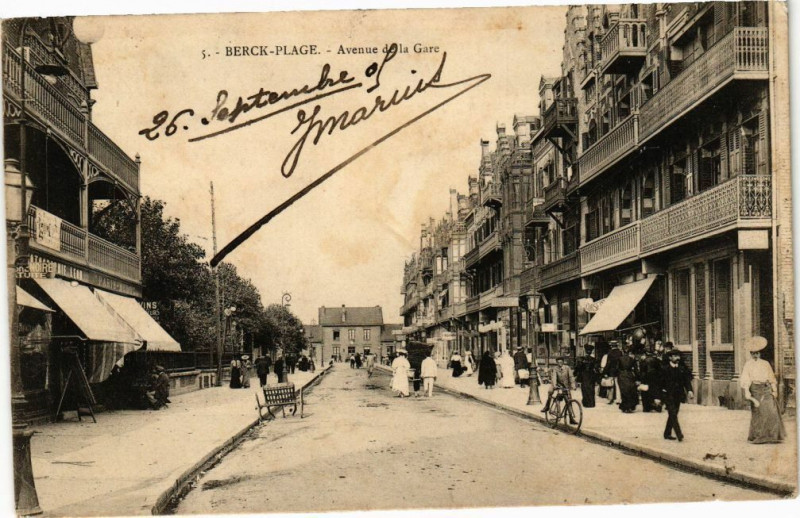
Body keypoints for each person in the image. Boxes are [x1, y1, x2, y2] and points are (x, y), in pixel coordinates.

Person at [740, 336, 786, 444]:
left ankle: (772, 436)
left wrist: (774, 389)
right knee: (758, 412)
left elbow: (771, 377)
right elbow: (746, 378)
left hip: (766, 389)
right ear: (751, 354)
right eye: (753, 353)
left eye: (757, 353)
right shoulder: (748, 364)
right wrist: (747, 391)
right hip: (755, 389)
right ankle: (758, 436)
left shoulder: (765, 363)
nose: (755, 355)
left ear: (760, 353)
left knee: (772, 411)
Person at [658, 349, 694, 441]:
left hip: (678, 395)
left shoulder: (681, 369)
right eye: (675, 356)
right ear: (670, 357)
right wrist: (658, 397)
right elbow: (659, 383)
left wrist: (689, 390)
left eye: (678, 356)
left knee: (673, 413)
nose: (677, 358)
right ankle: (679, 434)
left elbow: (686, 381)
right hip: (667, 395)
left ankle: (667, 433)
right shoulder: (664, 369)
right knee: (673, 413)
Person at [617, 348, 639, 413]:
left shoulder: (619, 359)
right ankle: (630, 406)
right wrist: (638, 378)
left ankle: (625, 407)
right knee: (630, 390)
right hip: (630, 375)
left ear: (623, 352)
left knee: (623, 391)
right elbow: (636, 370)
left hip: (622, 375)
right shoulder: (632, 359)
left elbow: (617, 368)